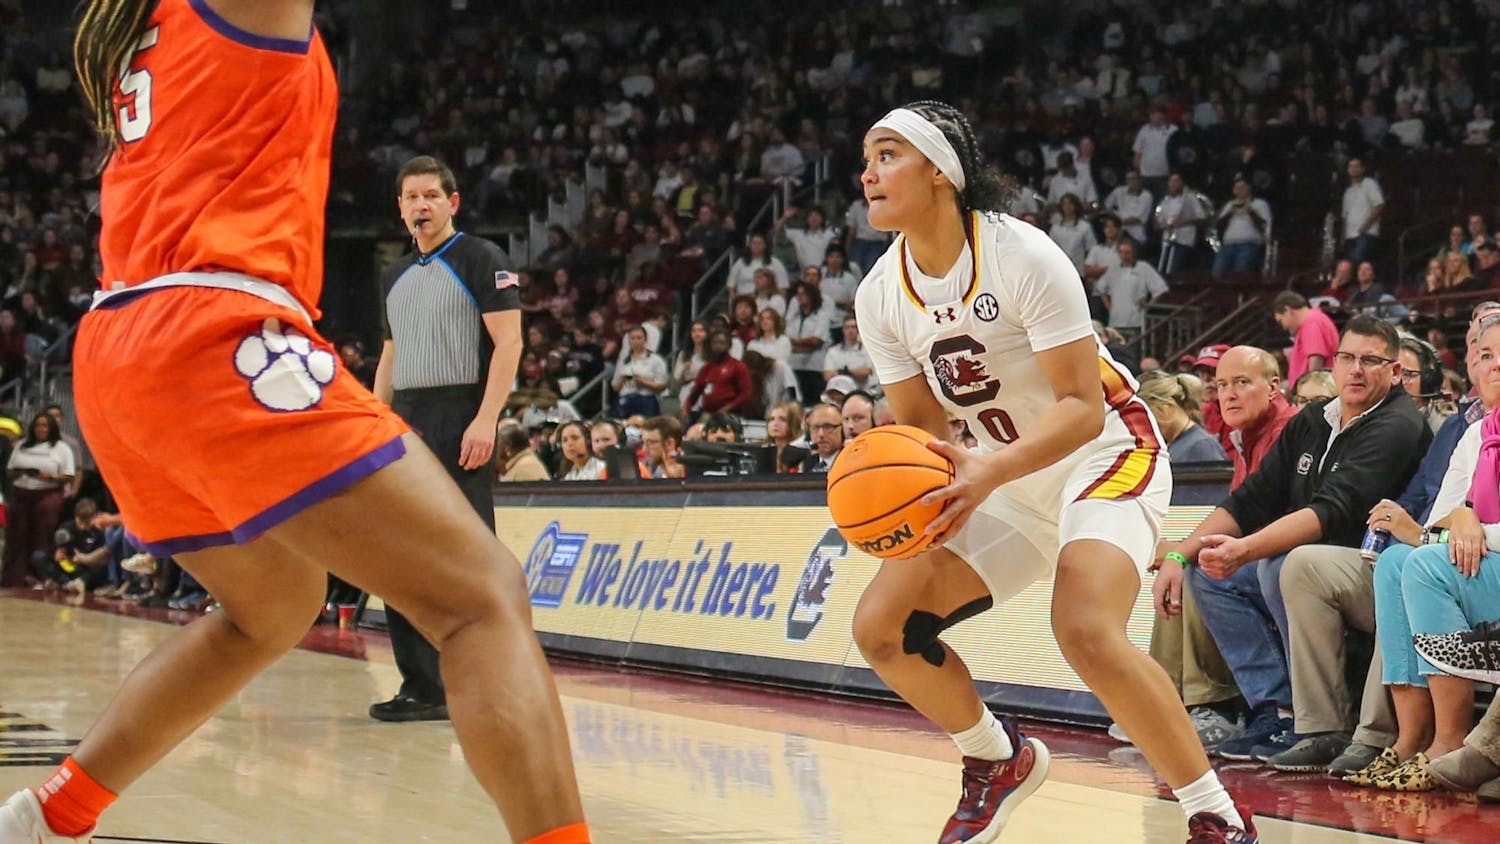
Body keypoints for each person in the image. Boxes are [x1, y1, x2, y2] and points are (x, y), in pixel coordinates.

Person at [4, 4, 589, 844]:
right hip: (216, 329)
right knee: (479, 599)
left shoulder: (148, 25)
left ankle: (48, 816)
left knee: (271, 607)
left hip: (115, 348)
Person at [851, 100, 1255, 843]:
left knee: (1084, 629)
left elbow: (1077, 404)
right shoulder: (879, 294)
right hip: (999, 475)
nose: (866, 172)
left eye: (886, 155)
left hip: (1102, 450)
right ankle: (994, 759)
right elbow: (923, 433)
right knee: (881, 629)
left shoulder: (1022, 254)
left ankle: (1217, 818)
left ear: (940, 169)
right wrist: (904, 495)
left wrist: (988, 471)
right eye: (868, 158)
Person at [1154, 318, 1428, 773]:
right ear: (1334, 362)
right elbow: (1250, 499)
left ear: (1395, 372)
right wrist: (1183, 552)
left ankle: (1321, 725)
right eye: (1347, 358)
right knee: (1207, 572)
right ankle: (1275, 710)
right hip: (1318, 566)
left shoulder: (1398, 423)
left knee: (1285, 563)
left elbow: (1330, 512)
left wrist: (1244, 550)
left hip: (1374, 566)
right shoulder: (1315, 419)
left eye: (1371, 361)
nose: (1356, 370)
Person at [368, 154, 525, 724]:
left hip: (461, 412)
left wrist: (486, 420)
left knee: (468, 555)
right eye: (411, 197)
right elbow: (390, 352)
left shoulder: (483, 258)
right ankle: (423, 686)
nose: (422, 206)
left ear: (452, 202)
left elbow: (508, 344)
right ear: (401, 208)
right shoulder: (393, 274)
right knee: (398, 557)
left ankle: (492, 682)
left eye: (432, 195)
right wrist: (373, 422)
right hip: (405, 417)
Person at [0, 412, 75, 588]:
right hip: (22, 491)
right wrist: (21, 471)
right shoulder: (21, 446)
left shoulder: (61, 448)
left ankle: (39, 576)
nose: (41, 429)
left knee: (41, 533)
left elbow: (69, 474)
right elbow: (9, 471)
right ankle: (13, 576)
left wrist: (50, 476)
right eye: (38, 425)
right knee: (16, 535)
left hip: (47, 492)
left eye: (45, 425)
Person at [1137, 373, 1228, 464]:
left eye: (1146, 417)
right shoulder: (1175, 444)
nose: (1143, 426)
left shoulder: (1202, 447)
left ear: (1166, 408)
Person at [1094, 239, 1168, 338]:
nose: (1124, 256)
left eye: (1127, 253)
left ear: (1134, 253)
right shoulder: (1113, 269)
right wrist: (1109, 306)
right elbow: (1100, 288)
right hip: (1115, 321)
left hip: (1135, 322)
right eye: (1121, 253)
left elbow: (1160, 289)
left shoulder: (1143, 268)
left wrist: (1149, 304)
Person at [1272, 291, 1338, 385]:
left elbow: (1316, 359)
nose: (1284, 327)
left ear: (1288, 310)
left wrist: (1310, 390)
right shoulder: (1312, 321)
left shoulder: (1312, 322)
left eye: (1281, 321)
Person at [1212, 178, 1271, 278]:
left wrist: (1250, 211)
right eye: (1237, 188)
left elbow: (1263, 225)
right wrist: (1229, 213)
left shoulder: (1260, 204)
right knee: (1217, 273)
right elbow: (1218, 225)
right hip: (1228, 244)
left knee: (1240, 274)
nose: (1239, 190)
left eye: (1242, 188)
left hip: (1249, 244)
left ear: (1249, 188)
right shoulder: (1230, 204)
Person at [1342, 158, 1385, 264]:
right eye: (1351, 166)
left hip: (1366, 234)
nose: (1353, 169)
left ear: (1363, 169)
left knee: (1358, 263)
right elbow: (1345, 216)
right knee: (1349, 266)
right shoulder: (1348, 191)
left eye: (1357, 166)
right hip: (1350, 236)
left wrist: (1364, 228)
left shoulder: (1370, 184)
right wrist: (1343, 236)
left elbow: (1379, 205)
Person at [798, 403, 843, 473]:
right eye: (815, 427)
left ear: (843, 430)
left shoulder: (851, 462)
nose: (820, 434)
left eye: (828, 427)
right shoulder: (805, 464)